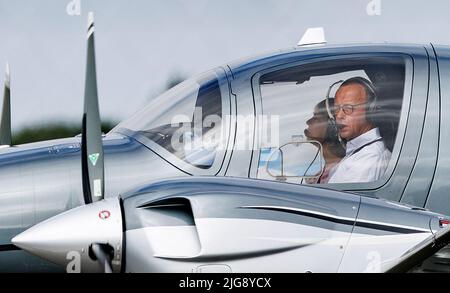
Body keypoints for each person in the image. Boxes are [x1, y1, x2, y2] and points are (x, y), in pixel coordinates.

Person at [327, 77, 391, 183]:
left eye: (348, 108)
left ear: (371, 110)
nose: (339, 115)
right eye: (336, 109)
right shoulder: (359, 151)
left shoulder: (369, 159)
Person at [304, 99, 345, 184]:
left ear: (333, 127)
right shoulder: (319, 176)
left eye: (316, 118)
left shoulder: (344, 172)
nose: (308, 122)